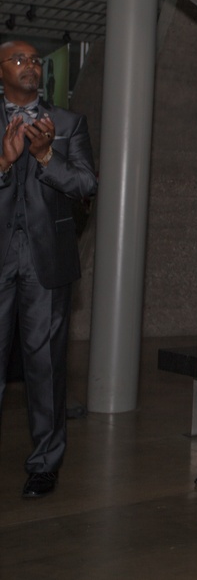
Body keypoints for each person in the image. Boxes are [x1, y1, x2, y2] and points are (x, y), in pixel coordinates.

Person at [0, 40, 98, 498]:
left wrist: (44, 157)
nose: (30, 66)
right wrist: (4, 160)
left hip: (46, 262)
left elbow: (85, 183)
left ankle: (44, 464)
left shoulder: (67, 123)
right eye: (19, 59)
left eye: (36, 61)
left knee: (46, 367)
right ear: (1, 69)